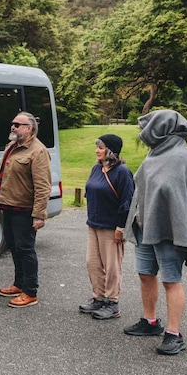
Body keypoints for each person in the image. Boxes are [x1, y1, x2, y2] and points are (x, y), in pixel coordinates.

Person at [122, 109, 187, 355]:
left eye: (149, 126)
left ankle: (174, 334)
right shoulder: (155, 153)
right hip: (144, 227)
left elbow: (175, 196)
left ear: (161, 127)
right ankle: (150, 321)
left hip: (168, 231)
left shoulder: (180, 156)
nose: (144, 133)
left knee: (170, 280)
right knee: (145, 274)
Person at [0, 112, 52, 308]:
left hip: (24, 209)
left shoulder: (38, 151)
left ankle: (30, 292)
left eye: (18, 124)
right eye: (12, 123)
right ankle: (19, 284)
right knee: (14, 248)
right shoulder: (12, 146)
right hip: (8, 206)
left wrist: (39, 215)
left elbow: (43, 186)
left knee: (26, 250)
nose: (13, 127)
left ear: (29, 128)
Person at [80, 134, 134, 320]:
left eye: (101, 148)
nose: (97, 150)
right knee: (92, 263)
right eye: (97, 147)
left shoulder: (122, 172)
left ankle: (112, 303)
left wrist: (121, 227)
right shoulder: (97, 169)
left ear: (111, 151)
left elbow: (127, 201)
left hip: (112, 227)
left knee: (112, 266)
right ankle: (99, 298)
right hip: (93, 224)